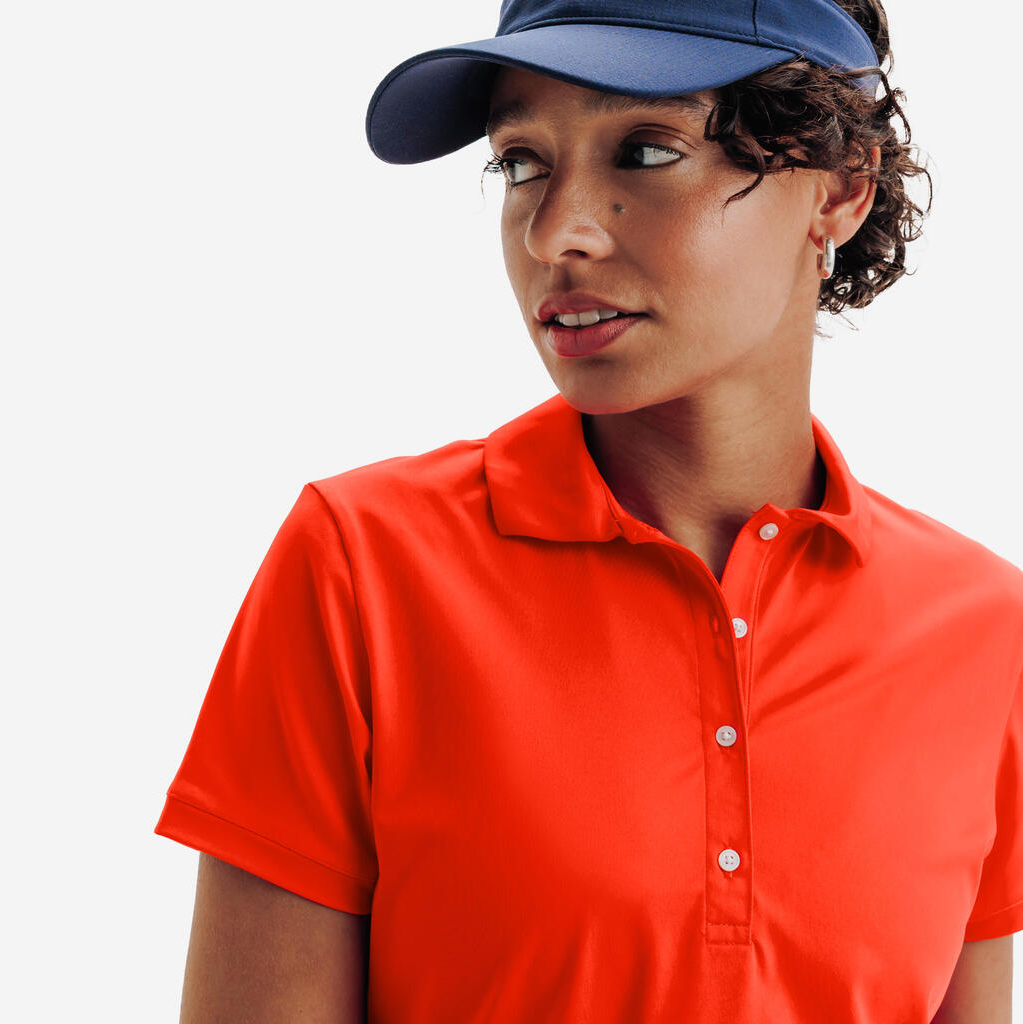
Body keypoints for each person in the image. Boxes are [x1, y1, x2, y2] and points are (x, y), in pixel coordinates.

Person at [155, 1, 1023, 1021]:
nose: (555, 233)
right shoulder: (362, 569)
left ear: (838, 185)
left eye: (646, 151)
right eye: (522, 162)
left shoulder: (981, 629)